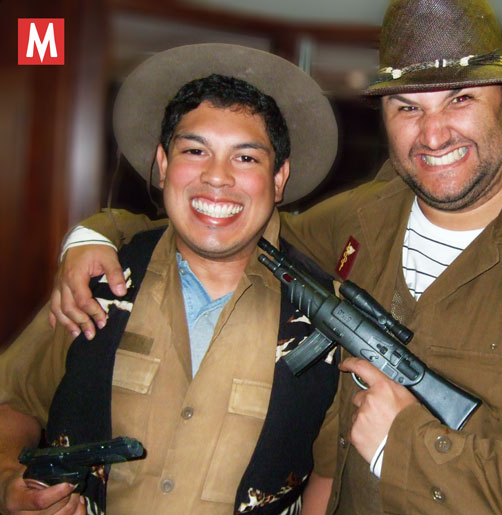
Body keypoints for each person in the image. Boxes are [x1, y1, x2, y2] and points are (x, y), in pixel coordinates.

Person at [47, 0, 502, 512]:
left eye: (460, 99)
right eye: (408, 108)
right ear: (385, 116)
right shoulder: (356, 222)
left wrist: (406, 446)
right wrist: (97, 235)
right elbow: (226, 218)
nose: (433, 133)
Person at [0, 43, 341, 514]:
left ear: (279, 179)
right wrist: (9, 482)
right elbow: (14, 401)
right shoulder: (97, 284)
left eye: (246, 158)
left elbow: (329, 470)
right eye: (195, 151)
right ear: (162, 165)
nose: (217, 177)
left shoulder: (328, 323)